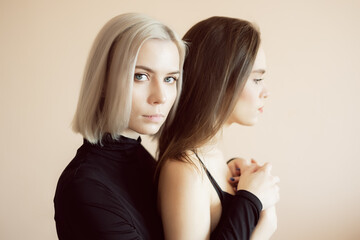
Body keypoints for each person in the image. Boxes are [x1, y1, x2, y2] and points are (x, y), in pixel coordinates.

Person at [54, 13, 186, 240]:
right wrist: (251, 204)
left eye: (169, 79)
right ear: (104, 81)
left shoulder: (145, 162)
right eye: (141, 76)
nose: (161, 97)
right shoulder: (86, 188)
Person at [157, 16, 280, 239]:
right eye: (256, 79)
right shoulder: (184, 170)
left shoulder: (212, 157)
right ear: (221, 82)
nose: (266, 92)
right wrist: (261, 217)